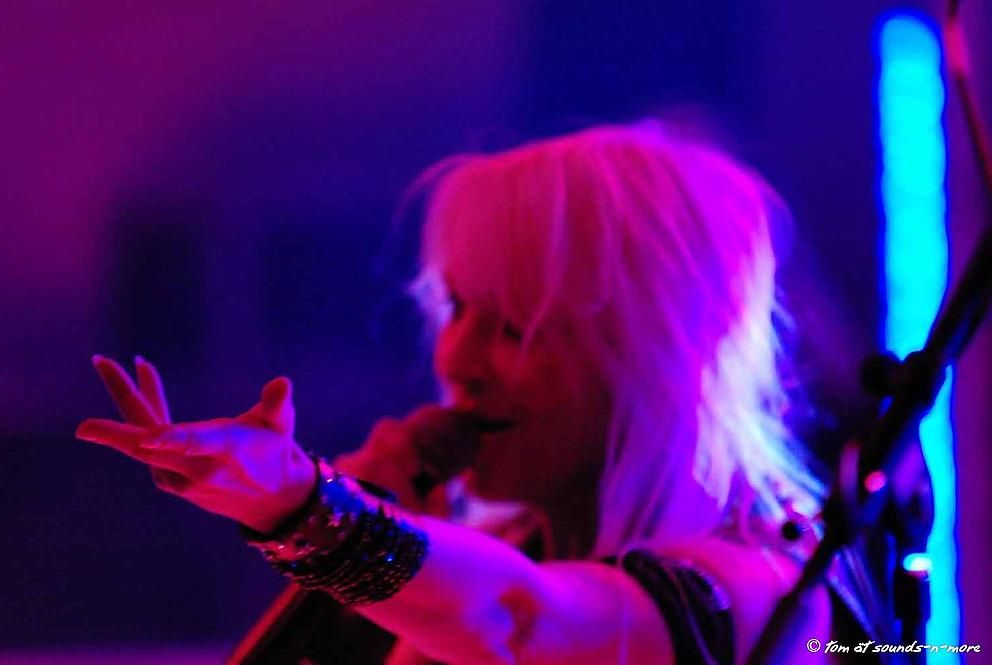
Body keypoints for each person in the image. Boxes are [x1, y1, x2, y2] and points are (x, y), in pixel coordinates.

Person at [76, 122, 872, 664]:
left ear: (646, 357)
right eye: (456, 309)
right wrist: (367, 551)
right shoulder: (514, 548)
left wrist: (305, 506)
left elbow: (521, 625)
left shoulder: (761, 583)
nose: (457, 358)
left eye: (516, 326)